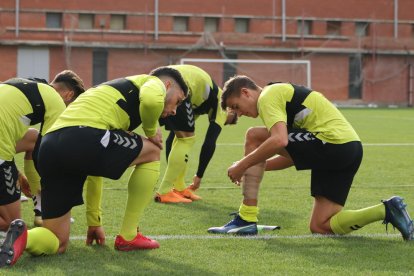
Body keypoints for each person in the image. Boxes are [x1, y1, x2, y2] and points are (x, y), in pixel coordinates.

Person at [0, 67, 188, 268]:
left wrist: (94, 221)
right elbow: (151, 100)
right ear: (167, 85)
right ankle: (129, 236)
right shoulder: (153, 83)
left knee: (57, 240)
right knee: (152, 150)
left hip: (50, 148)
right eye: (177, 101)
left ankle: (23, 238)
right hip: (83, 137)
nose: (175, 110)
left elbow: (93, 170)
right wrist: (151, 131)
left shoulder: (104, 98)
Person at [208, 75, 414, 240]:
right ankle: (387, 209)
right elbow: (295, 155)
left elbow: (280, 141)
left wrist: (243, 165)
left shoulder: (267, 97)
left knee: (253, 135)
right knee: (321, 226)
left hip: (331, 144)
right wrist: (257, 166)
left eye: (235, 106)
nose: (239, 114)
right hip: (347, 150)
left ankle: (247, 217)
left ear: (245, 92)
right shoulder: (280, 100)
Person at [0, 71, 85, 232]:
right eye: (72, 106)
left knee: (33, 138)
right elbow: (48, 152)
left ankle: (40, 208)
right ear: (69, 95)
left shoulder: (28, 83)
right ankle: (45, 207)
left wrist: (17, 174)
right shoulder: (56, 101)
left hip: (3, 143)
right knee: (12, 223)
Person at [154, 64, 238, 203]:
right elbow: (209, 143)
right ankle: (164, 191)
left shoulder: (199, 104)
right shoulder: (221, 105)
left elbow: (171, 140)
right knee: (187, 140)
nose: (224, 121)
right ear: (231, 111)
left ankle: (179, 188)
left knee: (181, 138)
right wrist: (199, 176)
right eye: (231, 120)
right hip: (178, 85)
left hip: (163, 80)